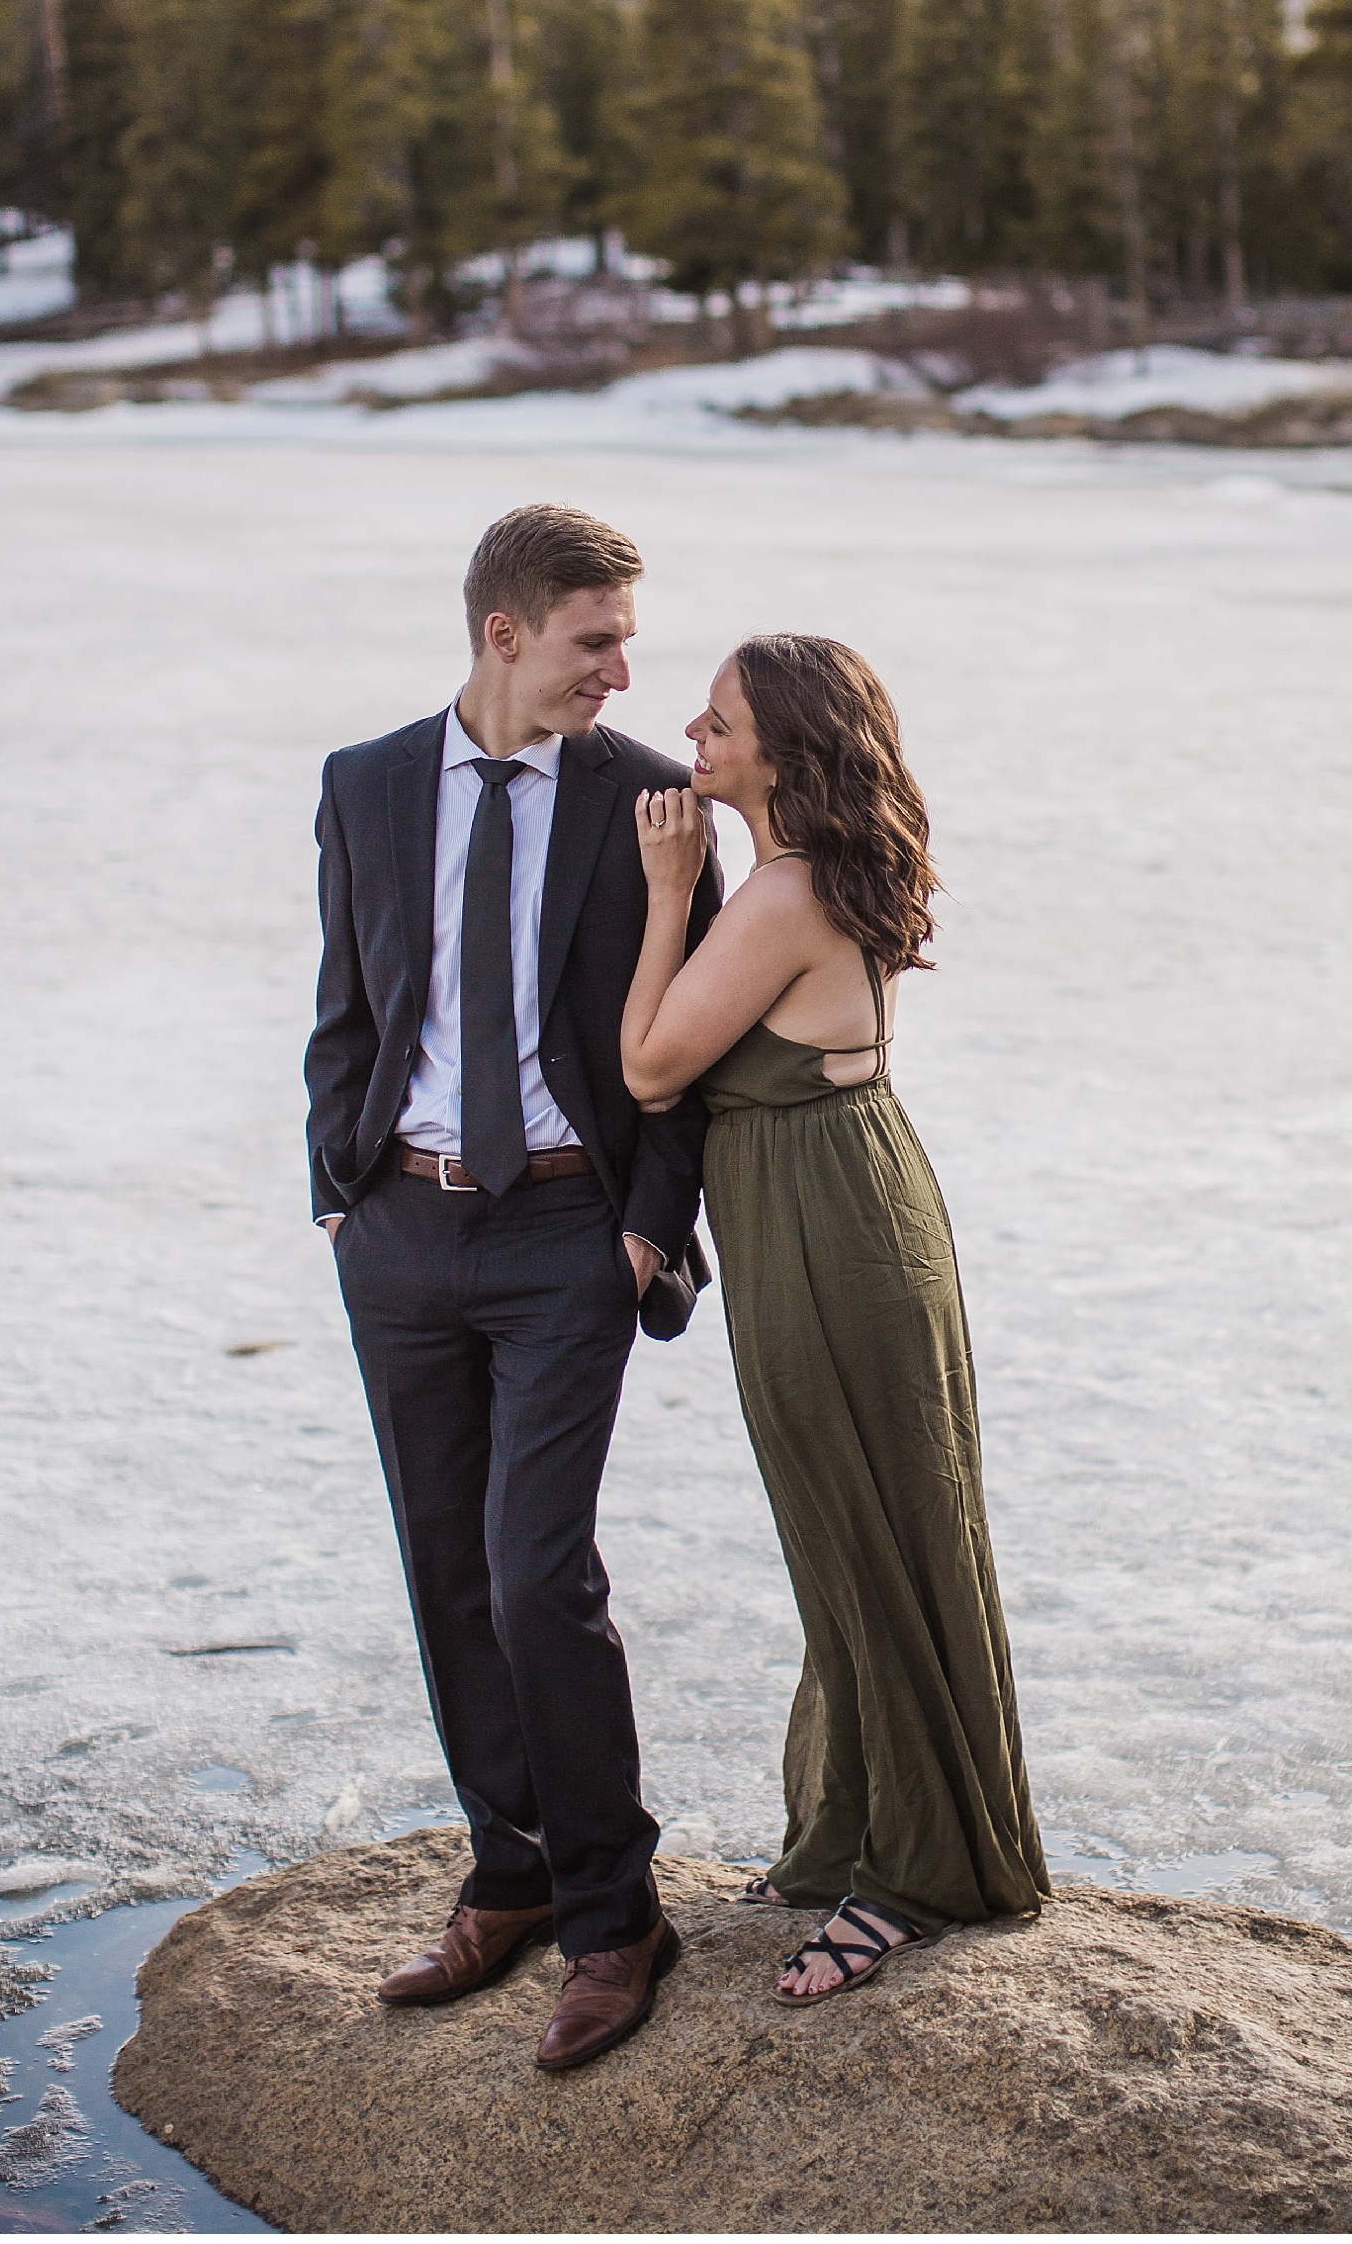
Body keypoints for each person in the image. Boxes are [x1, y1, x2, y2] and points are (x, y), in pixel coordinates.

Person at [306, 505, 721, 2071]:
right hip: (404, 1231)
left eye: (624, 637)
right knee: (446, 1569)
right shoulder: (366, 784)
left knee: (539, 1571)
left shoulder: (656, 807)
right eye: (594, 640)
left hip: (568, 1238)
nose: (624, 670)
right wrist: (338, 1196)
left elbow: (689, 1054)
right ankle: (512, 1876)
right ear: (504, 633)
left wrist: (645, 1228)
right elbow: (348, 1005)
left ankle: (617, 1917)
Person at [620, 633, 1050, 2001]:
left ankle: (916, 1877)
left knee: (869, 1537)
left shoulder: (780, 895)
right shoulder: (808, 881)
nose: (691, 728)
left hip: (824, 1228)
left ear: (788, 754)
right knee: (859, 1531)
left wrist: (665, 887)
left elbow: (648, 1068)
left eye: (723, 720)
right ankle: (859, 1832)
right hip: (849, 1203)